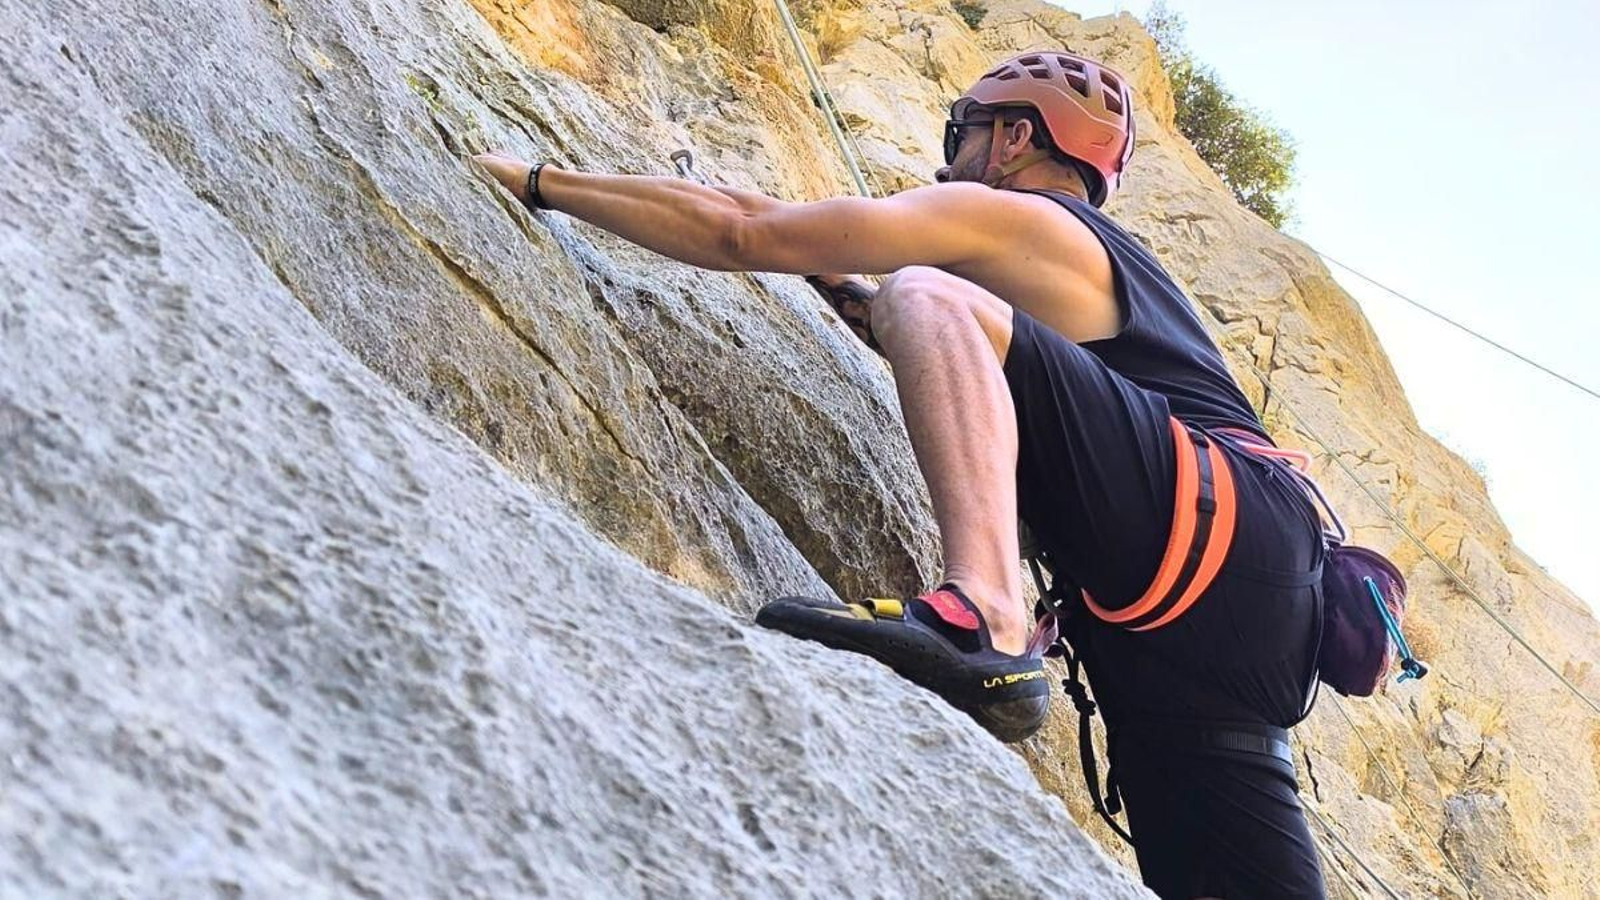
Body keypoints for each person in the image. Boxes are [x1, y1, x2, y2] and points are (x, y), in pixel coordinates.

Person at [476, 50, 1326, 899]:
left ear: (1014, 139)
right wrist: (847, 286)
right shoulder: (1104, 284)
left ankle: (986, 619)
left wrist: (540, 178)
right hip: (1236, 617)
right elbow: (962, 361)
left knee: (924, 289)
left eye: (963, 134)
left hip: (1203, 524)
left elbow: (745, 231)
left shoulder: (1012, 218)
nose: (947, 158)